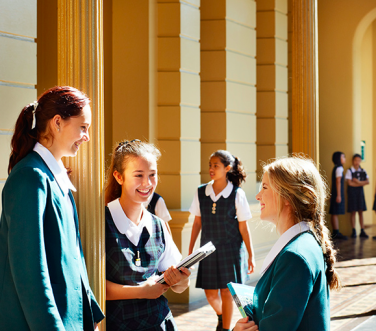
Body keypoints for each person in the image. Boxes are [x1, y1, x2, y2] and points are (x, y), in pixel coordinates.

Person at [0, 86, 104, 330]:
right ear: (57, 122)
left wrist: (92, 317)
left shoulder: (53, 176)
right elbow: (30, 273)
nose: (87, 136)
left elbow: (74, 259)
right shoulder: (30, 177)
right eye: (83, 127)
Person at [234, 156, 341, 331]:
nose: (258, 195)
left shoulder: (295, 256)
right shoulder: (302, 244)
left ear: (287, 197)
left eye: (265, 187)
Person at [104, 139, 191, 330]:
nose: (147, 183)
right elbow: (93, 286)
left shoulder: (157, 224)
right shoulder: (101, 223)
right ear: (119, 177)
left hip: (160, 323)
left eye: (152, 175)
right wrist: (141, 291)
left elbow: (180, 285)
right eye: (139, 175)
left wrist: (180, 280)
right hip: (118, 325)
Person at [189, 150, 255, 331]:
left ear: (227, 168)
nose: (211, 169)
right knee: (210, 294)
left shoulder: (237, 194)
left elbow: (244, 227)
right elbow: (196, 223)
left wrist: (251, 255)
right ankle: (221, 316)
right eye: (210, 165)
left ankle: (225, 328)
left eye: (215, 166)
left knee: (227, 291)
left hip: (231, 249)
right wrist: (190, 251)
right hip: (207, 250)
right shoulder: (201, 192)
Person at [345, 153, 370, 238]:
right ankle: (353, 230)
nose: (357, 162)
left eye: (359, 160)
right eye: (356, 160)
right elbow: (349, 183)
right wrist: (361, 184)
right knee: (353, 212)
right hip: (352, 193)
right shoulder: (349, 171)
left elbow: (368, 181)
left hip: (360, 193)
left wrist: (358, 182)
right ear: (353, 161)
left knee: (361, 211)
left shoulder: (363, 171)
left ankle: (362, 230)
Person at [329, 151, 347, 240]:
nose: (345, 159)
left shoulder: (336, 168)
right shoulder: (339, 168)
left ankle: (336, 231)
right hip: (337, 193)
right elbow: (338, 181)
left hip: (335, 193)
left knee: (334, 212)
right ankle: (336, 232)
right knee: (335, 212)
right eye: (343, 157)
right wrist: (339, 195)